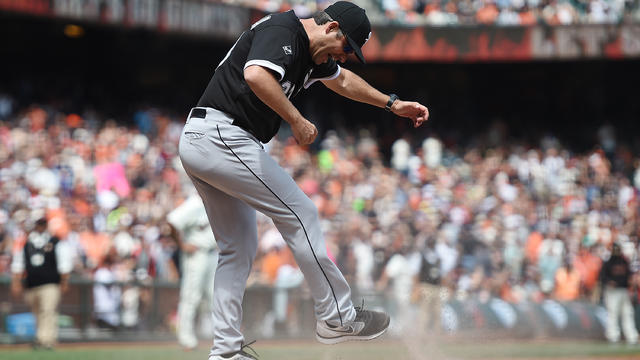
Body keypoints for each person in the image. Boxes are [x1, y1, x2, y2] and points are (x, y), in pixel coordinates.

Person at [178, 2, 429, 359]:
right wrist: (296, 119)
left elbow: (342, 80)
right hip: (223, 135)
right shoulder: (285, 30)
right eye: (348, 46)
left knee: (238, 249)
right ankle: (337, 317)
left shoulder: (313, 55)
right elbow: (256, 75)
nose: (347, 56)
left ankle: (226, 352)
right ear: (331, 28)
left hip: (207, 138)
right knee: (301, 213)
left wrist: (391, 103)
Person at [10, 218, 72, 349]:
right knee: (37, 312)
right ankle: (41, 338)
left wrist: (64, 281)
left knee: (48, 311)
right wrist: (16, 282)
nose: (40, 227)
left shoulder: (55, 242)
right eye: (39, 224)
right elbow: (18, 263)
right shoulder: (27, 242)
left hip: (50, 283)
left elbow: (64, 263)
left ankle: (46, 340)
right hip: (32, 284)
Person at [167, 194, 219, 350]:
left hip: (213, 253)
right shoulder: (195, 203)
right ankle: (186, 339)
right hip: (196, 255)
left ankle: (223, 339)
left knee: (215, 297)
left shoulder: (215, 201)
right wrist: (182, 245)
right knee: (191, 297)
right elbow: (171, 222)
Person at [599, 242, 638, 344]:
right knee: (613, 313)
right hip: (612, 292)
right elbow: (602, 278)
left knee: (627, 313)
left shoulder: (624, 262)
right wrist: (609, 282)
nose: (616, 251)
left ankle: (631, 336)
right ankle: (613, 336)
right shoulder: (608, 262)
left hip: (623, 290)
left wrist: (631, 288)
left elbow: (629, 277)